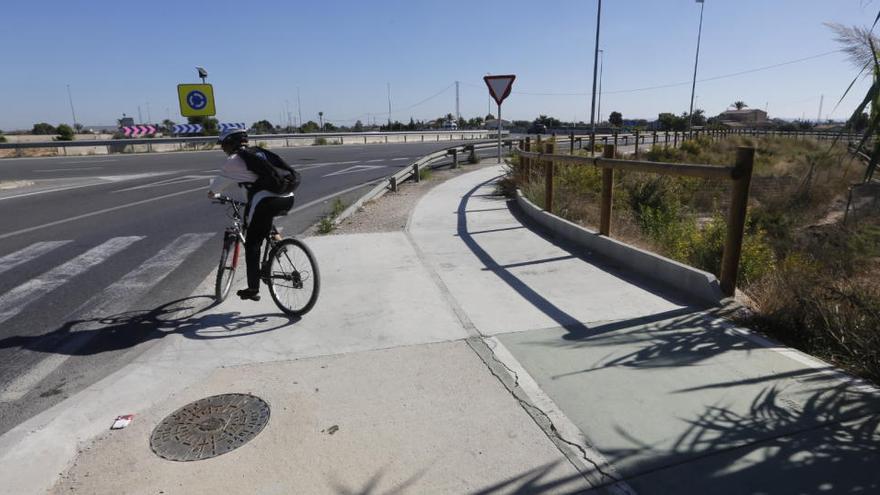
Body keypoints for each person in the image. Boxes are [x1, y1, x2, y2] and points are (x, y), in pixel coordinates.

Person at [208, 129, 295, 301]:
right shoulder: (259, 152)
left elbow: (218, 185)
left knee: (252, 243)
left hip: (265, 200)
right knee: (261, 218)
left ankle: (253, 288)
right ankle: (278, 242)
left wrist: (212, 193)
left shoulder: (233, 161)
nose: (223, 149)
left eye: (223, 145)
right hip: (287, 196)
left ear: (230, 143)